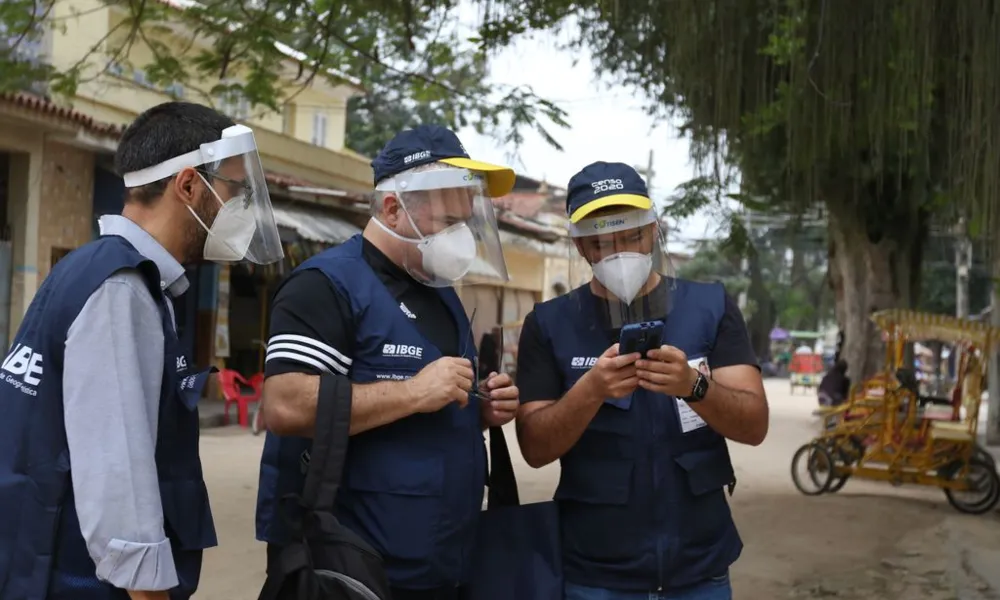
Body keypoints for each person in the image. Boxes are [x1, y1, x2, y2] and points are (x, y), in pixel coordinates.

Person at [0, 101, 284, 600]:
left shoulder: (99, 270)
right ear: (190, 186)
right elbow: (119, 491)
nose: (240, 208)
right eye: (235, 191)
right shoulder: (122, 290)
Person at [256, 124, 521, 600]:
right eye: (447, 223)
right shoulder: (326, 285)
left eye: (464, 223)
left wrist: (476, 406)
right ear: (394, 209)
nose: (459, 237)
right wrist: (413, 392)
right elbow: (284, 406)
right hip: (356, 569)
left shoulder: (439, 293)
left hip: (442, 562)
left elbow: (435, 397)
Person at [514, 161, 769, 600]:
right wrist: (590, 391)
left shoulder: (709, 306)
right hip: (595, 572)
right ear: (581, 247)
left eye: (631, 234)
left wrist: (695, 386)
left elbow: (754, 425)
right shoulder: (550, 323)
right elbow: (535, 448)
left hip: (698, 565)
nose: (619, 251)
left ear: (654, 229)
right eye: (603, 241)